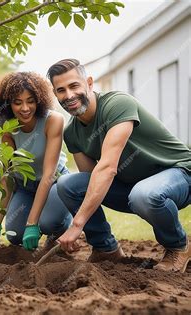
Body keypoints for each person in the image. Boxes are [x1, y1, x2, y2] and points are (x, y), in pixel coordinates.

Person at [47, 58, 191, 272]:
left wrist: (77, 226)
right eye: (61, 90)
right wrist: (74, 225)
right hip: (133, 189)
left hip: (178, 174)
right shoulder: (72, 132)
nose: (68, 95)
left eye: (74, 86)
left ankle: (178, 246)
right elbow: (90, 180)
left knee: (144, 194)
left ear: (89, 83)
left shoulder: (117, 104)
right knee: (67, 184)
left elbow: (107, 168)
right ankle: (106, 249)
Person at [0, 71, 72, 252]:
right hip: (26, 186)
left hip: (54, 183)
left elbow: (48, 175)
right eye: (18, 102)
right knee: (15, 234)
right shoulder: (6, 127)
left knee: (48, 222)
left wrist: (32, 223)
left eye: (30, 101)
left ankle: (60, 227)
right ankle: (36, 221)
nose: (25, 108)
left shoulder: (53, 120)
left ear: (39, 100)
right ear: (8, 104)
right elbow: (7, 176)